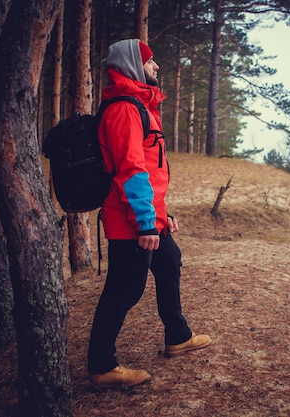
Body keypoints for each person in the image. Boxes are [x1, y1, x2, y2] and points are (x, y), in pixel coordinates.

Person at [87, 39, 211, 390]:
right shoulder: (124, 109)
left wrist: (161, 215)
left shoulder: (140, 107)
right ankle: (101, 365)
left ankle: (178, 336)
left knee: (169, 260)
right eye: (150, 60)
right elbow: (131, 171)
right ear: (132, 64)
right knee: (124, 289)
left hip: (146, 214)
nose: (156, 66)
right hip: (129, 219)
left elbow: (150, 171)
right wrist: (145, 222)